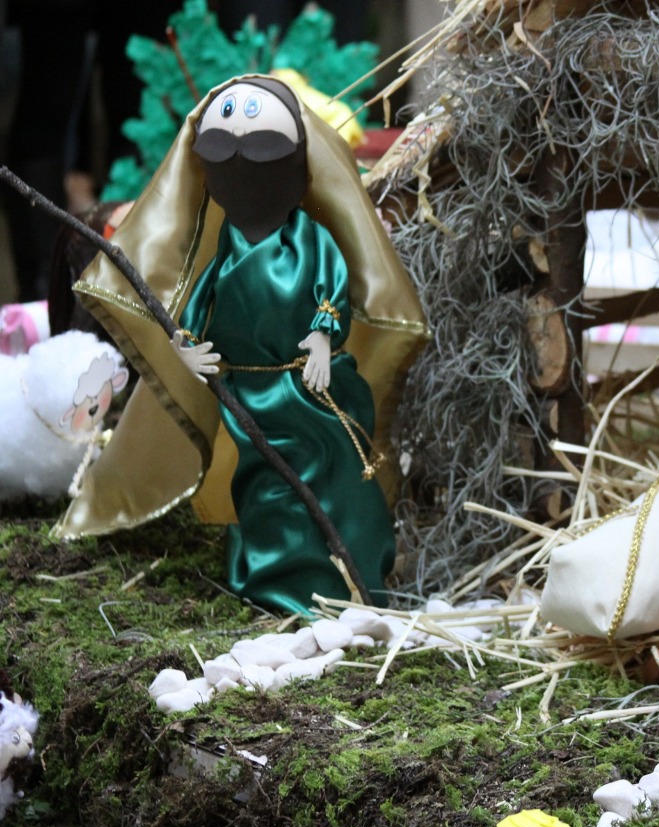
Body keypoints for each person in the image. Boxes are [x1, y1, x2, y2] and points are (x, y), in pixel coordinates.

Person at [55, 74, 427, 615]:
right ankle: (273, 582)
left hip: (310, 389)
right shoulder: (226, 247)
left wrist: (323, 339)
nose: (242, 161)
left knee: (334, 476)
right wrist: (187, 347)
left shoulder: (311, 240)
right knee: (263, 486)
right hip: (248, 393)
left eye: (262, 148)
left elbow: (332, 291)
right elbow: (200, 304)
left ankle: (346, 577)